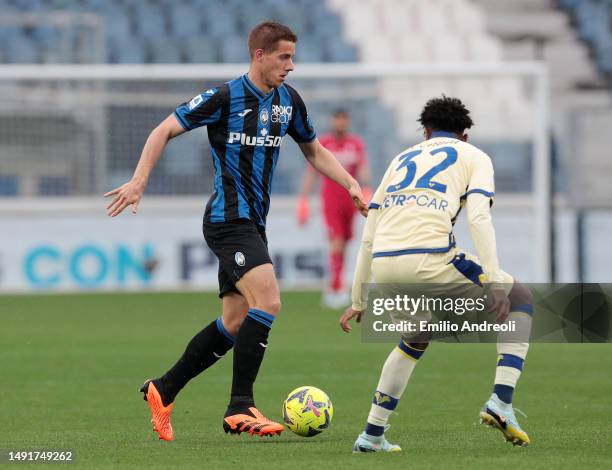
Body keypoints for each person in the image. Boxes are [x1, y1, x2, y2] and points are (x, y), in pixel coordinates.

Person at [104, 21, 366, 441]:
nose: (291, 66)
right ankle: (240, 406)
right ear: (259, 55)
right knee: (270, 301)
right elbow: (163, 129)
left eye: (293, 57)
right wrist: (138, 181)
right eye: (283, 57)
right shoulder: (224, 96)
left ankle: (164, 388)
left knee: (236, 320)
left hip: (253, 223)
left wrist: (350, 183)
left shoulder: (288, 102)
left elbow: (315, 151)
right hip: (228, 220)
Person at [340, 96, 533, 452]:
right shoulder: (474, 157)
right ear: (465, 135)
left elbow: (369, 234)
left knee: (416, 336)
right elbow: (478, 218)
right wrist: (492, 282)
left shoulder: (400, 159)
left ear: (425, 132)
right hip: (430, 258)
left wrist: (358, 297)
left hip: (384, 264)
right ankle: (501, 401)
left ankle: (371, 434)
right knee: (520, 298)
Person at [297, 109, 370, 308]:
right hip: (331, 201)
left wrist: (367, 189)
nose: (340, 124)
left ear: (347, 122)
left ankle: (338, 284)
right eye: (337, 120)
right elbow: (311, 172)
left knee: (345, 243)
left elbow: (363, 168)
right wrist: (303, 199)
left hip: (351, 201)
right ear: (332, 121)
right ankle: (335, 288)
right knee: (336, 242)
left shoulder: (355, 144)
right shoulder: (324, 144)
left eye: (343, 120)